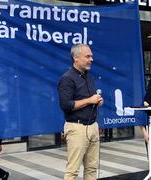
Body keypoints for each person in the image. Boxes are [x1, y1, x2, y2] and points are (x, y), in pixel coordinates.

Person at [58, 43, 103, 180]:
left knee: (92, 169)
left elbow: (91, 100)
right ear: (76, 58)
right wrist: (90, 100)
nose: (91, 59)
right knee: (73, 171)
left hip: (92, 127)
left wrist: (98, 101)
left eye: (91, 56)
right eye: (87, 56)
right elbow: (66, 105)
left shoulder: (88, 77)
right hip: (76, 128)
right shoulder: (67, 78)